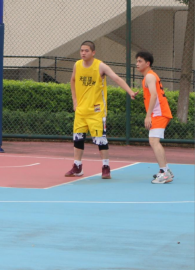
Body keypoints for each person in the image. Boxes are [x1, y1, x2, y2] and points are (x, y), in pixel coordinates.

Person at [66, 41, 137, 179]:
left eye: (86, 50)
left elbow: (116, 78)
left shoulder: (100, 66)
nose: (83, 53)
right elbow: (72, 80)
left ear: (93, 52)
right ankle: (77, 166)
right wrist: (74, 100)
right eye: (81, 50)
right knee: (78, 138)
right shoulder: (77, 65)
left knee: (100, 139)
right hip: (81, 110)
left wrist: (130, 92)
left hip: (97, 111)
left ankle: (105, 167)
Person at [135, 51, 174, 184]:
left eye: (140, 61)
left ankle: (164, 173)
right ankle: (166, 170)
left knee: (153, 141)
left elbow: (154, 95)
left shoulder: (150, 76)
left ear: (148, 63)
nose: (137, 64)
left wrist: (148, 116)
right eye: (137, 61)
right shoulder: (149, 76)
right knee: (154, 141)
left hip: (158, 113)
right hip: (159, 112)